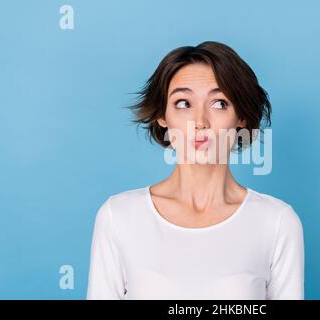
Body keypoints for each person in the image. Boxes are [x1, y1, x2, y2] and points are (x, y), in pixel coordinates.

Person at [86, 41, 304, 300]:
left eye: (220, 103)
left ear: (241, 117)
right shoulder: (118, 217)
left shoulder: (277, 222)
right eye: (183, 103)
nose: (200, 122)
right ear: (163, 116)